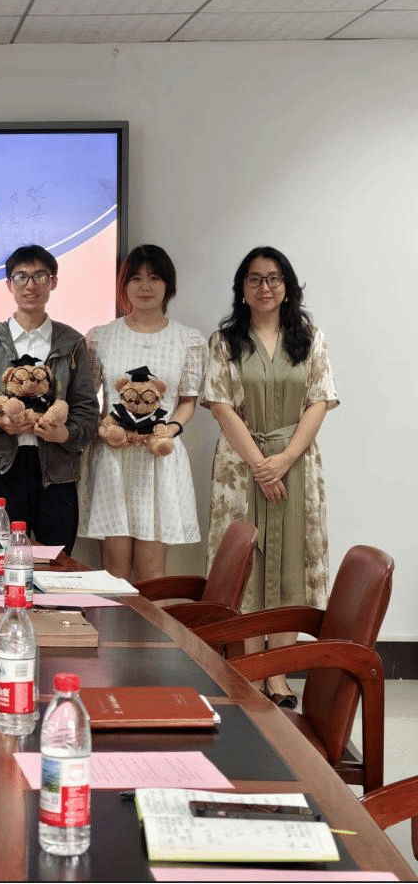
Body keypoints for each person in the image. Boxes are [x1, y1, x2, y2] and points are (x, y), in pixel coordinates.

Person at [202, 246, 337, 710]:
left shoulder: (310, 339)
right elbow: (221, 407)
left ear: (288, 286)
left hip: (296, 465)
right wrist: (261, 463)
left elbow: (319, 401)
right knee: (244, 564)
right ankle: (245, 668)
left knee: (291, 565)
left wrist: (285, 459)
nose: (265, 287)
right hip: (240, 466)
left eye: (274, 278)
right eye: (255, 279)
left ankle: (278, 672)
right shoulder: (224, 341)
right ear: (242, 288)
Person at [77, 245, 206, 581]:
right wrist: (104, 429)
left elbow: (188, 400)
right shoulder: (101, 337)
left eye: (154, 277)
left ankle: (150, 621)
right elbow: (87, 398)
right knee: (114, 571)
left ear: (168, 285)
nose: (145, 286)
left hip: (158, 459)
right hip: (113, 459)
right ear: (124, 286)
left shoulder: (188, 340)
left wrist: (170, 429)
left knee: (152, 575)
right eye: (135, 278)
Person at [0, 244, 97, 554]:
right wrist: (0, 421)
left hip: (58, 469)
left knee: (58, 560)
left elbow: (88, 410)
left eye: (40, 276)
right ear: (9, 284)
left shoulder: (72, 342)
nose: (31, 285)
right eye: (21, 276)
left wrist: (65, 434)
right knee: (3, 558)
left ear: (53, 281)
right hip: (3, 467)